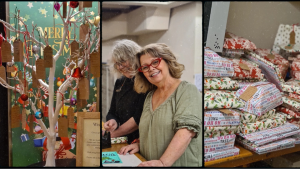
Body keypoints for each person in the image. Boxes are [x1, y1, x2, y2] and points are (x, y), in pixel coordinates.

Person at [119, 43, 202, 167]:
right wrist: (140, 145)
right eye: (145, 67)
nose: (151, 69)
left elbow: (186, 132)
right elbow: (154, 130)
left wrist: (163, 163)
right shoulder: (149, 96)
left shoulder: (187, 90)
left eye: (155, 62)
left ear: (167, 61)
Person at [103, 39, 148, 144]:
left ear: (133, 57)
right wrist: (113, 121)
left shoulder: (146, 81)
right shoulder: (120, 82)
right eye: (117, 63)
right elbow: (112, 112)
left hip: (139, 142)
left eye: (123, 62)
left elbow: (138, 119)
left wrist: (110, 135)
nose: (120, 67)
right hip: (121, 140)